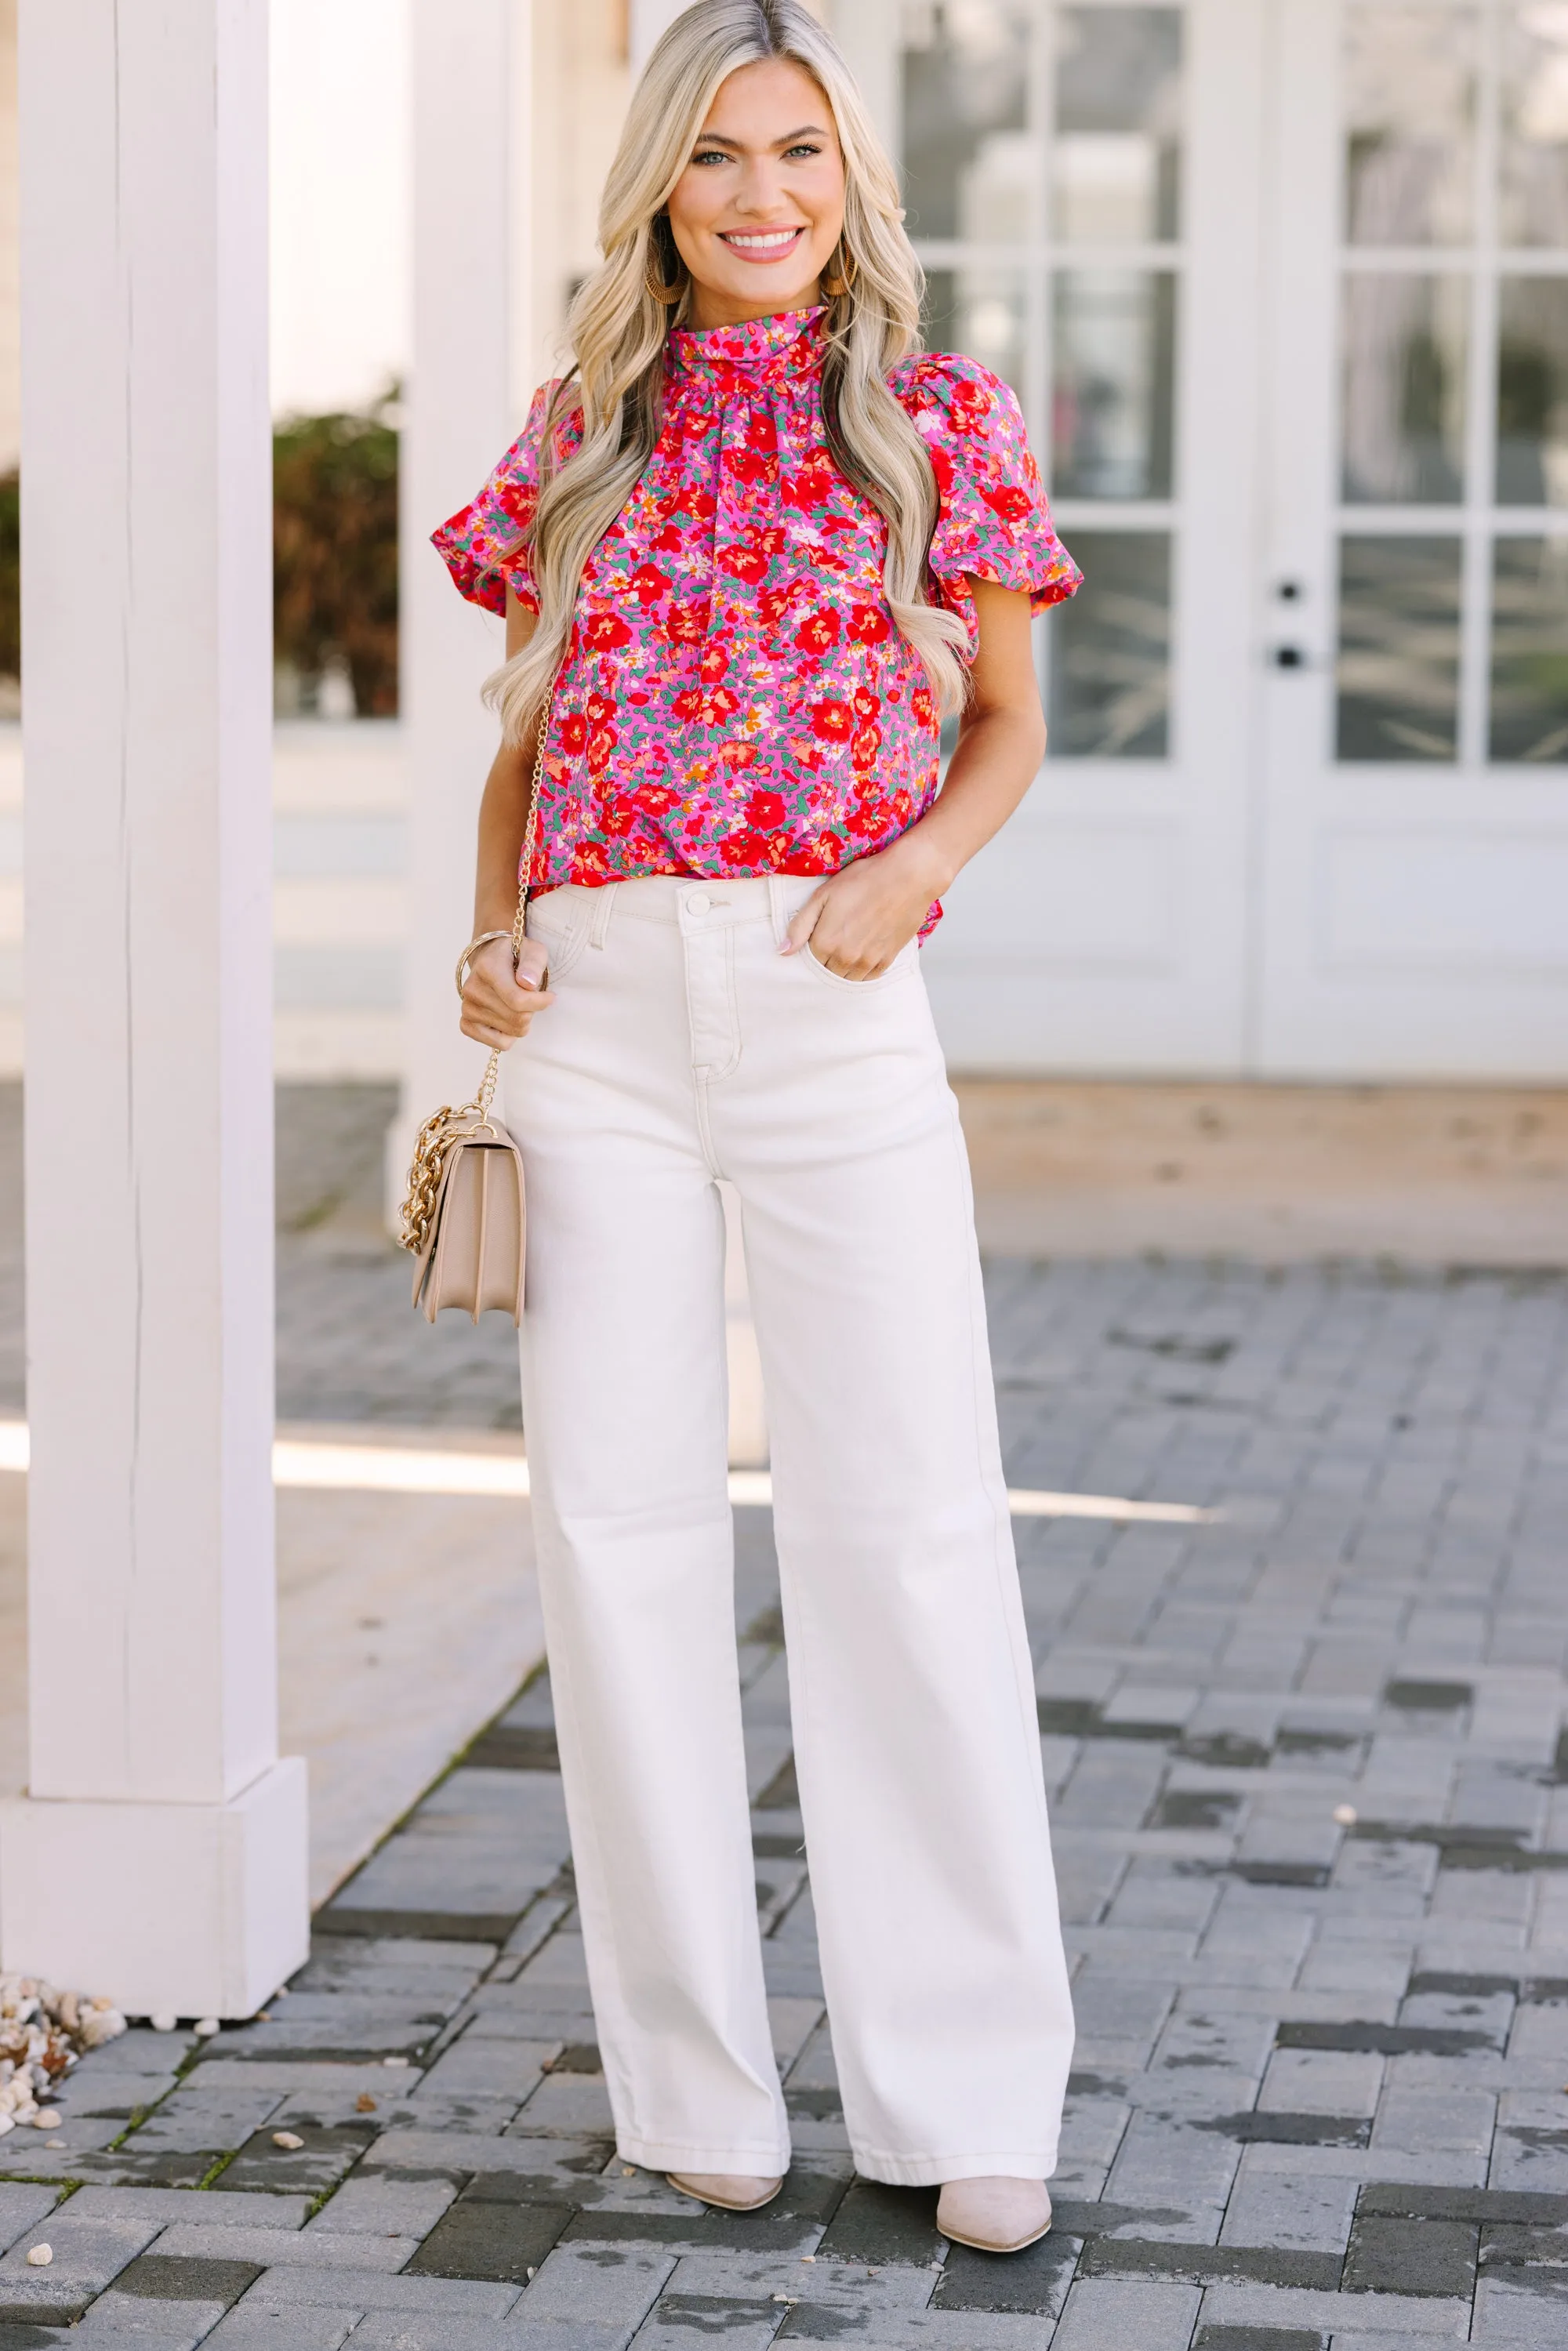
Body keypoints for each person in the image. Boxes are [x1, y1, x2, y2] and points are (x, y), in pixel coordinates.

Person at [433, 0, 1081, 2257]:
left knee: (904, 1529)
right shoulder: (578, 424)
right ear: (657, 190)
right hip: (599, 1018)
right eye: (716, 158)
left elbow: (1000, 723)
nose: (762, 194)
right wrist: (491, 928)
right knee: (617, 1542)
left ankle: (969, 2083)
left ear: (849, 174)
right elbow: (527, 733)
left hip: (833, 1006)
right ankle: (695, 2079)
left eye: (798, 150)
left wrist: (919, 869)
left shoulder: (942, 421)